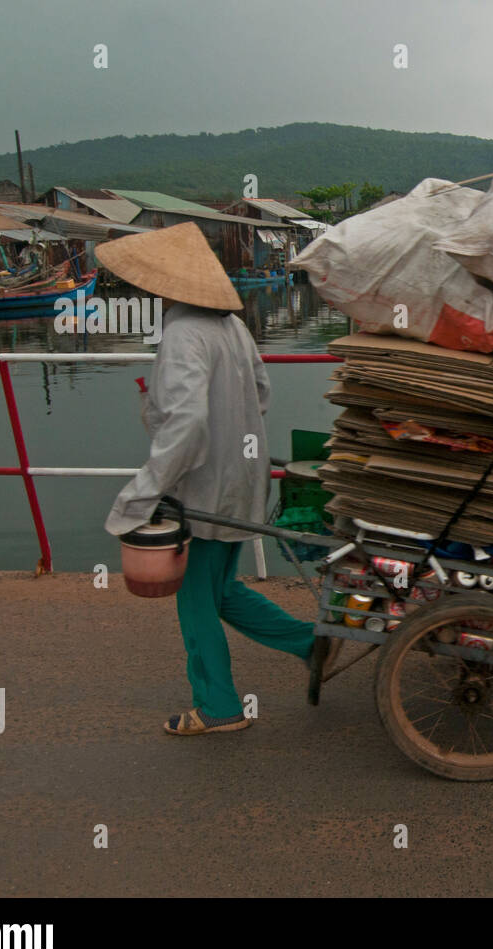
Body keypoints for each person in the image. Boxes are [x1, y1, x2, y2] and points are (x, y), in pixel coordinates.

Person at [98, 223, 333, 735]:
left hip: (203, 488)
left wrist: (143, 493)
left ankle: (218, 707)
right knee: (221, 590)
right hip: (244, 476)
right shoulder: (233, 328)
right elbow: (262, 393)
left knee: (195, 601)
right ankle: (308, 642)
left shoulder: (183, 334)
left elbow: (185, 424)